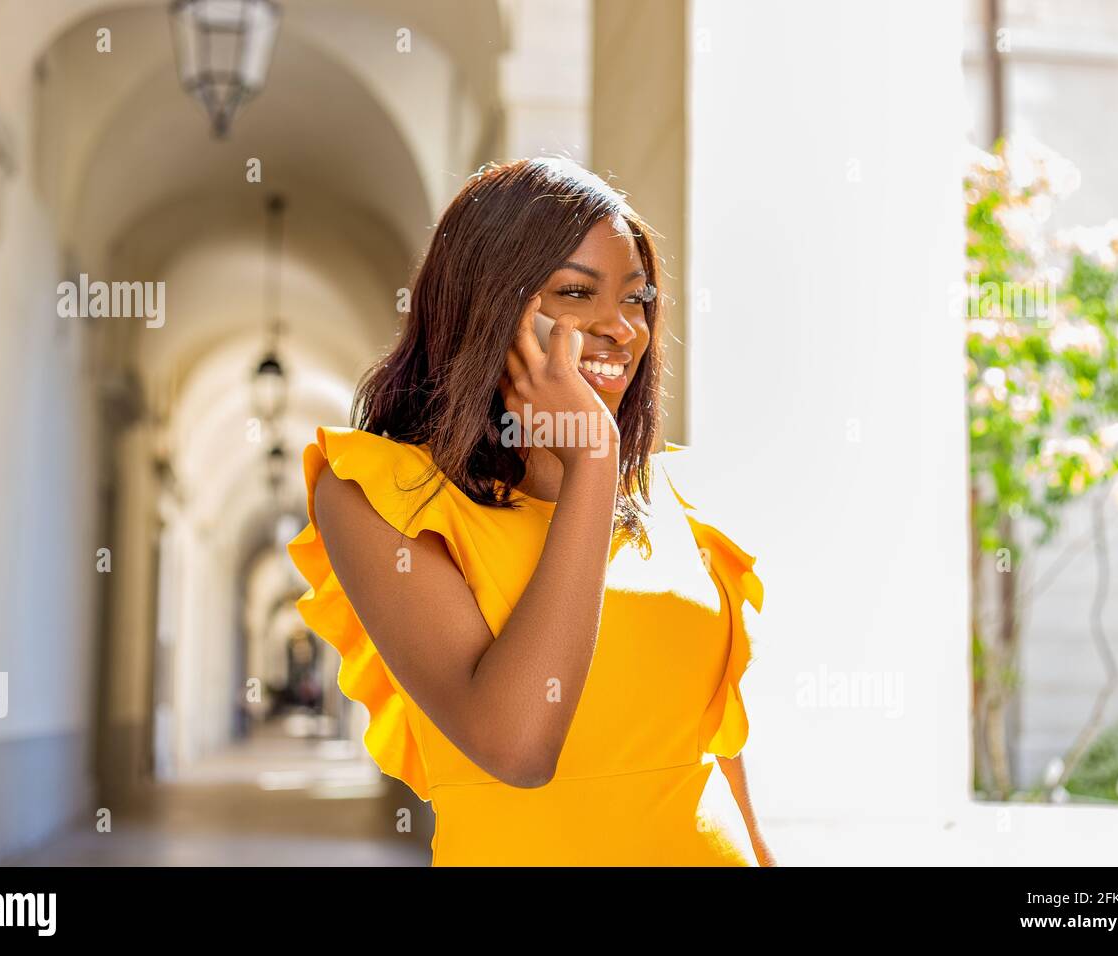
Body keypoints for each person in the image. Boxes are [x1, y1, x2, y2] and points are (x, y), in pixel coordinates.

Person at [287, 156, 775, 866]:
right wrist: (591, 465)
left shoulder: (677, 497)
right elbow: (517, 745)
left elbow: (717, 755)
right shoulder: (378, 493)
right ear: (486, 305)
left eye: (637, 299)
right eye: (577, 292)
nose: (621, 328)